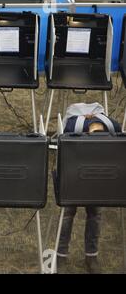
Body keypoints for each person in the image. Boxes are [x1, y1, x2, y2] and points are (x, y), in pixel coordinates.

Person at [57, 111, 122, 274]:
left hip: (96, 174)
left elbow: (119, 130)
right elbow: (66, 130)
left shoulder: (110, 126)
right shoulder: (75, 124)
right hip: (74, 171)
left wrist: (98, 117)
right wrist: (87, 121)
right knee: (68, 212)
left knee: (95, 213)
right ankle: (60, 256)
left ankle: (91, 257)